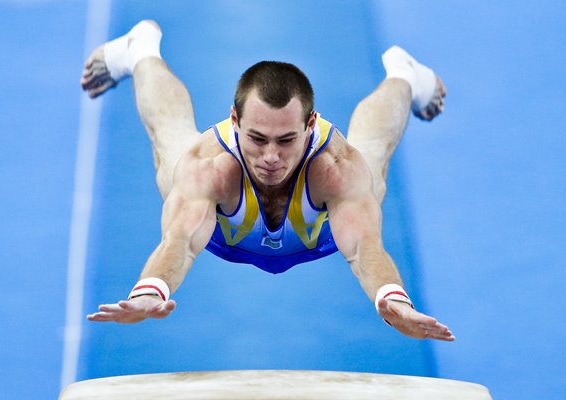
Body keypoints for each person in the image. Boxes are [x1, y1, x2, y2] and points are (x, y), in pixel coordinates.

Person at [82, 20, 453, 341]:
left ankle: (403, 74)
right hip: (219, 219)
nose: (271, 157)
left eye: (287, 140)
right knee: (171, 140)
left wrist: (393, 299)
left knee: (372, 155)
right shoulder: (210, 166)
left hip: (323, 226)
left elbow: (363, 248)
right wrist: (151, 291)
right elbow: (179, 242)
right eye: (257, 139)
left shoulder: (334, 167)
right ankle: (140, 49)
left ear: (310, 126)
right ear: (235, 120)